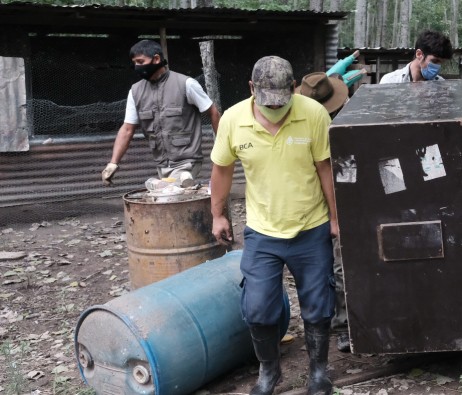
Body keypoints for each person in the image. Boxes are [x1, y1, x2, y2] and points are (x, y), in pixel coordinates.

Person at [209, 56, 338, 395]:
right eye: (269, 103)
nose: (276, 109)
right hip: (262, 231)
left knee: (318, 304)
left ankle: (319, 373)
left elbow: (326, 169)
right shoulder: (233, 120)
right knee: (258, 308)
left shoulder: (314, 114)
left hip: (311, 226)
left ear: (294, 89)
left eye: (283, 101)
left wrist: (337, 219)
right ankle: (269, 372)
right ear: (252, 89)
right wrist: (217, 213)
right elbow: (222, 170)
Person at [101, 39, 221, 186]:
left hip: (187, 161)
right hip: (162, 164)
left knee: (166, 192)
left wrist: (221, 148)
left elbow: (213, 112)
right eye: (135, 63)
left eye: (140, 61)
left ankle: (181, 179)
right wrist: (113, 163)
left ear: (156, 59)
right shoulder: (135, 91)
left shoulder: (186, 84)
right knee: (168, 193)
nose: (137, 66)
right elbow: (127, 129)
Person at [297, 71, 352, 353]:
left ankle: (343, 325)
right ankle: (328, 321)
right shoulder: (300, 122)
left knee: (340, 265)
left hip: (341, 200)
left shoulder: (344, 122)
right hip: (311, 203)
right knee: (321, 267)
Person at [379, 30, 453, 83]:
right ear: (419, 54)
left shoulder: (441, 85)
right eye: (435, 61)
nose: (437, 66)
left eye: (441, 63)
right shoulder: (390, 81)